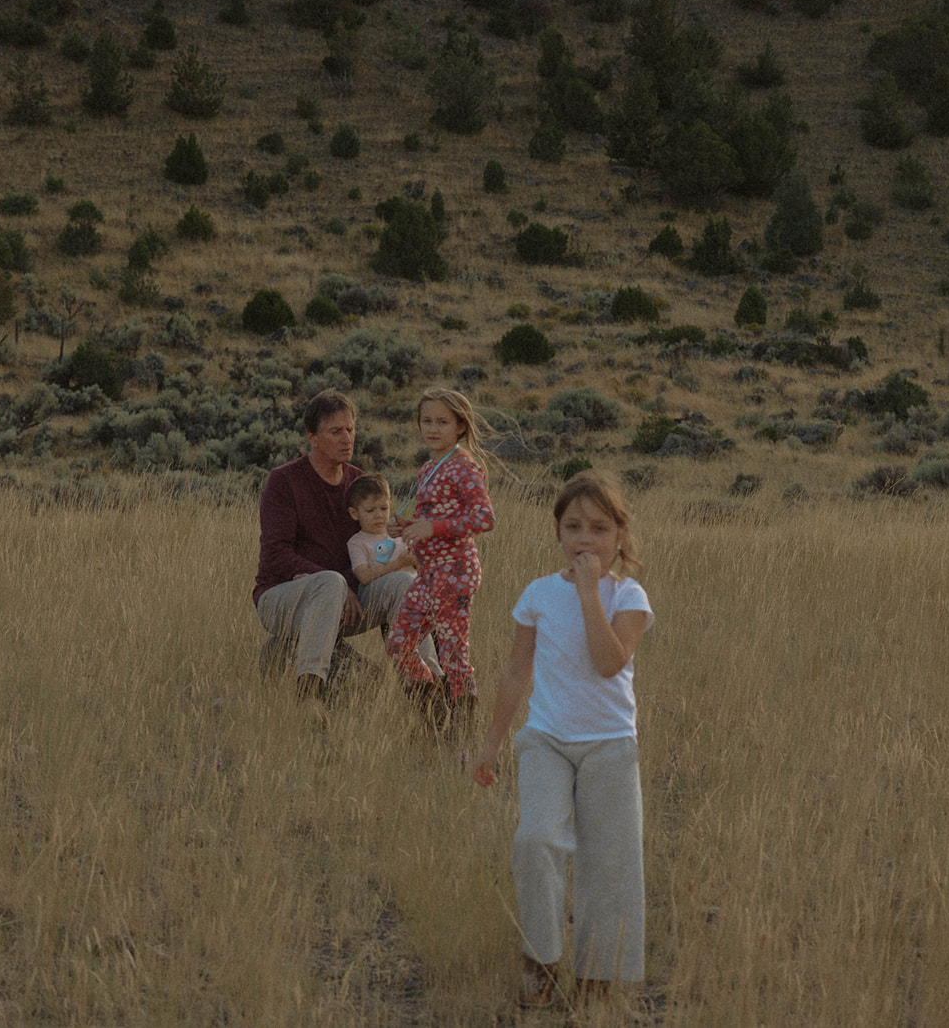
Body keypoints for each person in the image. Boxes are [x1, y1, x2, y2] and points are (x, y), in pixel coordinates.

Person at [470, 470, 654, 1009]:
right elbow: (513, 674)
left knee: (610, 860)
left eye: (599, 528)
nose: (584, 539)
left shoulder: (629, 596)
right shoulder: (537, 594)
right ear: (556, 531)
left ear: (619, 537)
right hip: (546, 738)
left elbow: (607, 662)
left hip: (610, 744)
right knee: (535, 841)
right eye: (573, 526)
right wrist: (492, 745)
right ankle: (541, 959)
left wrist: (590, 590)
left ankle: (599, 974)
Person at [253, 389, 439, 701]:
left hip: (348, 601)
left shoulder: (359, 485)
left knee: (402, 583)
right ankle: (310, 690)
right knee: (330, 582)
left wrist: (410, 549)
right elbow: (276, 555)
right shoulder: (284, 482)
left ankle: (428, 685)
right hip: (282, 599)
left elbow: (379, 546)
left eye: (350, 429)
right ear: (312, 437)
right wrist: (338, 584)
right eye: (335, 431)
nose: (346, 438)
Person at [384, 388, 496, 731]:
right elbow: (429, 519)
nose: (432, 429)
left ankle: (462, 729)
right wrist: (405, 527)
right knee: (398, 644)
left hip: (455, 572)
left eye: (442, 422)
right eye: (426, 421)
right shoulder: (429, 468)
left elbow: (484, 518)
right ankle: (433, 713)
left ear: (460, 426)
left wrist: (433, 527)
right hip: (429, 574)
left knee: (452, 653)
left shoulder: (464, 468)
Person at [346, 474, 417, 587]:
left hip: (413, 591)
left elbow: (422, 566)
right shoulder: (357, 542)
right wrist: (398, 563)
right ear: (354, 513)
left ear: (390, 506)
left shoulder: (400, 534)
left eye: (384, 508)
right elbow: (364, 576)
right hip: (376, 592)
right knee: (404, 579)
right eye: (370, 510)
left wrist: (415, 559)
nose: (379, 515)